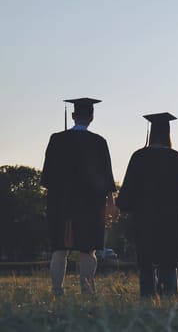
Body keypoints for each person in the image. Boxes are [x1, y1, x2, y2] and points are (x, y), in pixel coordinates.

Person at [41, 98, 119, 295]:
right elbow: (107, 176)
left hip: (61, 203)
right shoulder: (99, 142)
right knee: (88, 249)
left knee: (59, 250)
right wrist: (111, 203)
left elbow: (47, 176)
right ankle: (87, 290)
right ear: (91, 117)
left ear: (73, 115)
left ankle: (57, 290)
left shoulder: (56, 139)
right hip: (91, 205)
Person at [116, 112, 178, 298]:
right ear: (167, 134)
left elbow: (128, 189)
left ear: (151, 133)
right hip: (170, 218)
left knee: (146, 258)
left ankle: (147, 296)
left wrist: (123, 205)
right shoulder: (176, 158)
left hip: (144, 217)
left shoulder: (139, 157)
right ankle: (169, 295)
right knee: (168, 259)